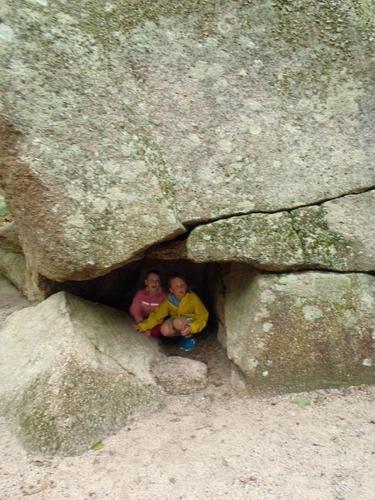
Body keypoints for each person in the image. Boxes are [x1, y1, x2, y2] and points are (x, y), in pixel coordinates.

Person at [136, 274, 209, 351]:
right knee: (165, 330)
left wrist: (192, 327)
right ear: (171, 290)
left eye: (182, 285)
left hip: (191, 319)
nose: (180, 287)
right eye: (176, 286)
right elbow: (157, 316)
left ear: (186, 286)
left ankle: (189, 338)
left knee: (178, 322)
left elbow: (203, 316)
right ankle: (181, 337)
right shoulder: (169, 300)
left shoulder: (193, 298)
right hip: (176, 319)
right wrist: (143, 326)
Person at [129, 270, 167, 337]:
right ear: (146, 282)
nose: (154, 283)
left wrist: (149, 327)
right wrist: (140, 321)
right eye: (151, 280)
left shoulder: (164, 296)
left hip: (155, 320)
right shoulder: (141, 294)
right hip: (142, 318)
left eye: (157, 281)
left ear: (160, 283)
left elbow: (161, 315)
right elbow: (134, 309)